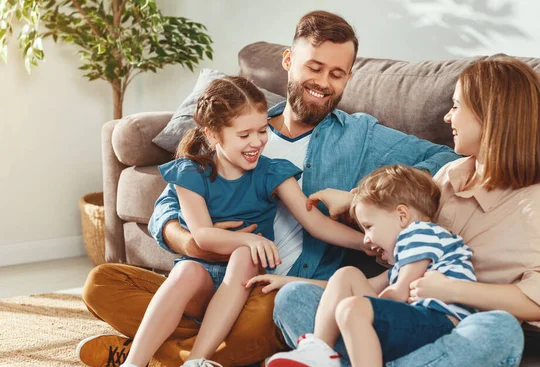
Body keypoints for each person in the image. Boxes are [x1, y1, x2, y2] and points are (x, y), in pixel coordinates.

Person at [77, 11, 467, 367]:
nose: (323, 83)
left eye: (337, 73)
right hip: (203, 273)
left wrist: (357, 199)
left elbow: (443, 159)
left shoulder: (361, 134)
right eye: (314, 67)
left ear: (349, 77)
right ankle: (189, 354)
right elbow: (170, 202)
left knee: (262, 328)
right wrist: (190, 241)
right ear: (288, 61)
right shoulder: (244, 123)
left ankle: (151, 353)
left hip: (270, 288)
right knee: (102, 284)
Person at [272, 56, 540, 366]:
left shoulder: (533, 202)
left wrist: (453, 289)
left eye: (456, 107)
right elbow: (390, 277)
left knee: (500, 329)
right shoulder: (449, 176)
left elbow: (539, 301)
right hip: (399, 319)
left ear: (490, 117)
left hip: (452, 331)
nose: (447, 117)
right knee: (294, 298)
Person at [118, 76, 364, 367]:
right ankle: (133, 363)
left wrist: (366, 243)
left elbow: (317, 224)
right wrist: (250, 238)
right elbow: (202, 237)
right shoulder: (190, 173)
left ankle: (196, 361)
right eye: (244, 135)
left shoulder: (272, 173)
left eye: (262, 131)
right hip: (202, 288)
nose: (257, 142)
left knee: (246, 256)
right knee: (185, 272)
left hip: (249, 291)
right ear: (212, 135)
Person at [262, 164, 476, 367]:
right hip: (416, 323)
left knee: (353, 308)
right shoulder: (408, 261)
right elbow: (355, 286)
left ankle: (322, 352)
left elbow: (399, 293)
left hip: (440, 324)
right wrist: (288, 280)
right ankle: (318, 350)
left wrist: (363, 310)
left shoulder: (420, 233)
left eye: (368, 227)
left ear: (402, 216)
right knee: (347, 275)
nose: (365, 240)